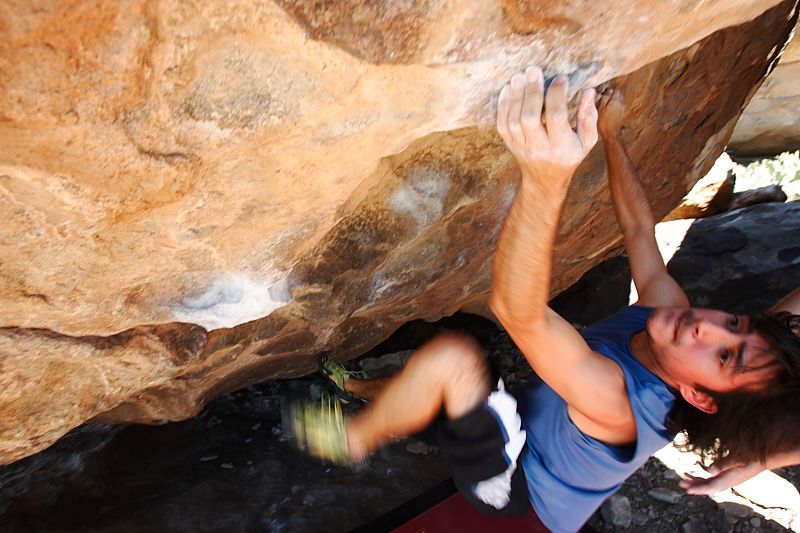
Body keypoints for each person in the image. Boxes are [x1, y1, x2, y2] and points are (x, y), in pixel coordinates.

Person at [285, 67, 800, 532]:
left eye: (723, 355)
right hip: (533, 419)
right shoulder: (669, 318)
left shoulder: (617, 400)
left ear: (700, 397)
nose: (705, 326)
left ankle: (355, 439)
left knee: (452, 362)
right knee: (439, 393)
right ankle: (356, 385)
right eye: (734, 323)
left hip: (521, 494)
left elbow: (519, 312)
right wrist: (612, 136)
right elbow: (641, 232)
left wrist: (545, 176)